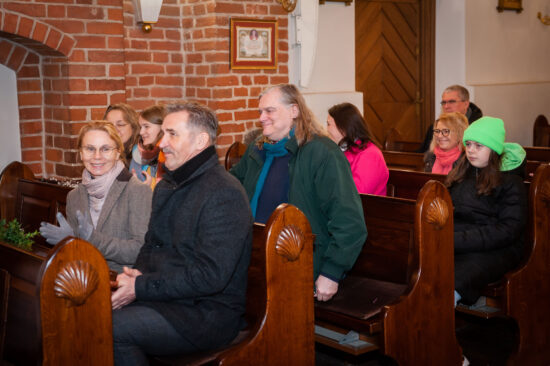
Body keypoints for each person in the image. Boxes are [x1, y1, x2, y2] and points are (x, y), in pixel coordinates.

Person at [110, 102, 253, 365]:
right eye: (163, 133)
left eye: (172, 134)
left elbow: (210, 277)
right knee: (88, 313)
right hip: (169, 300)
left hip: (205, 315)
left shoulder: (224, 193)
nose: (161, 143)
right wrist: (137, 274)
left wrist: (140, 287)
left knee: (113, 328)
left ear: (201, 141)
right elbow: (151, 245)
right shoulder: (167, 186)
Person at [230, 84, 367, 302]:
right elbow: (230, 186)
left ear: (294, 111)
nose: (262, 118)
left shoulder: (322, 152)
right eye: (260, 112)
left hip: (298, 259)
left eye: (270, 111)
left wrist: (331, 272)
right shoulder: (258, 149)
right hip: (255, 256)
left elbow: (349, 220)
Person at [39, 121, 152, 273]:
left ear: (118, 152)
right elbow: (77, 254)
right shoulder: (74, 196)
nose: (97, 156)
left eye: (105, 149)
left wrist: (93, 239)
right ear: (80, 153)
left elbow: (140, 250)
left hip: (120, 282)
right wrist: (70, 242)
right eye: (90, 149)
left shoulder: (137, 190)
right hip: (83, 278)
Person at [446, 116, 527, 306]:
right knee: (427, 263)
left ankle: (442, 312)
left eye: (479, 145)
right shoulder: (461, 173)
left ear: (494, 149)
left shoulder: (511, 181)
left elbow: (509, 229)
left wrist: (458, 240)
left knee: (460, 274)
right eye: (469, 144)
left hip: (498, 247)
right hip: (460, 240)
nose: (471, 150)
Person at [327, 103, 389, 195]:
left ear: (343, 127)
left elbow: (356, 195)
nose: (326, 129)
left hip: (367, 208)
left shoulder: (371, 155)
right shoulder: (342, 150)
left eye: (329, 124)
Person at [417, 85, 483, 153]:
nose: (446, 106)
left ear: (466, 104)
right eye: (444, 102)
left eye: (451, 102)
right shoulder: (434, 128)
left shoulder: (478, 128)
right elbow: (422, 154)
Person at [129, 105, 166, 189]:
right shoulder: (138, 153)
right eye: (140, 127)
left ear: (162, 127)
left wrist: (149, 187)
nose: (141, 132)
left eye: (146, 126)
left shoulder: (172, 155)